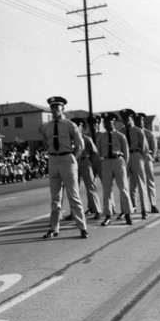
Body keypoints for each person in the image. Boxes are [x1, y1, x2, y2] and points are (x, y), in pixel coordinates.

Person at [40, 96, 89, 239]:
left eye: (57, 107)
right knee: (55, 198)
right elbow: (45, 143)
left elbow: (80, 146)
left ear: (63, 109)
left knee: (73, 196)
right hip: (53, 160)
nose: (55, 110)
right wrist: (52, 154)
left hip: (67, 159)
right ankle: (54, 228)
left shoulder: (70, 125)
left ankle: (82, 227)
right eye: (52, 107)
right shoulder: (46, 127)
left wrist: (72, 157)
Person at [96, 112, 133, 226]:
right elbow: (98, 152)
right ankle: (107, 216)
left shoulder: (120, 136)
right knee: (106, 190)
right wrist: (103, 161)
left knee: (123, 189)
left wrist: (123, 164)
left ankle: (127, 214)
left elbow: (126, 153)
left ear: (113, 123)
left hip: (118, 161)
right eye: (105, 122)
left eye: (109, 122)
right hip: (106, 162)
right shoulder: (101, 137)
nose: (107, 124)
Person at [119, 108, 149, 220]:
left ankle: (144, 210)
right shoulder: (120, 132)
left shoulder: (138, 131)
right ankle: (125, 210)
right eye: (123, 119)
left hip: (136, 156)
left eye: (127, 118)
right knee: (123, 185)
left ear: (131, 118)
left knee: (141, 184)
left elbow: (145, 149)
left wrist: (141, 160)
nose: (125, 121)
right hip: (123, 158)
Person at [72, 118, 101, 220]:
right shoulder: (69, 140)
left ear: (81, 127)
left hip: (85, 161)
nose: (76, 128)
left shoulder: (87, 139)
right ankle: (74, 212)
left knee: (91, 187)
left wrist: (89, 162)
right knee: (74, 189)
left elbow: (94, 152)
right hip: (74, 164)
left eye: (78, 126)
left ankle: (97, 210)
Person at [136, 113, 159, 213]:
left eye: (141, 120)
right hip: (137, 158)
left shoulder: (149, 133)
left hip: (147, 158)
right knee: (137, 182)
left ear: (143, 122)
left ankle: (153, 204)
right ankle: (134, 206)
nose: (139, 122)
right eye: (137, 120)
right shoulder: (133, 132)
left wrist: (152, 157)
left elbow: (154, 147)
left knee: (150, 181)